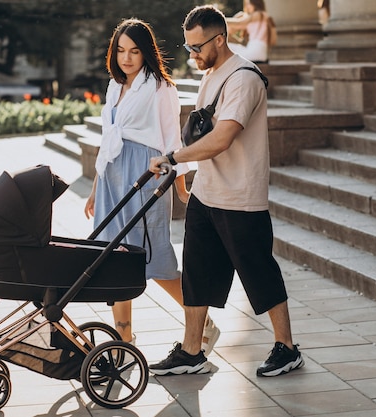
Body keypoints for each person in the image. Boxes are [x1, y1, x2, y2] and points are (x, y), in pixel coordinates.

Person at [148, 5, 304, 377]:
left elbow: (222, 137)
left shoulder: (244, 78)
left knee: (258, 272)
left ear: (221, 39)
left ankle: (287, 348)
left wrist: (173, 158)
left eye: (198, 47)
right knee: (196, 275)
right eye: (188, 48)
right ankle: (191, 352)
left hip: (240, 196)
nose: (193, 55)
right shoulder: (212, 73)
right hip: (208, 192)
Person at [84, 18, 220, 354]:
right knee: (112, 258)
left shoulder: (162, 88)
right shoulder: (115, 87)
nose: (126, 58)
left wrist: (181, 182)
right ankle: (123, 340)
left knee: (153, 257)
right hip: (112, 174)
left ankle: (202, 321)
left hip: (147, 175)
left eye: (134, 51)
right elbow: (107, 140)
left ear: (146, 53)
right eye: (120, 51)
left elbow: (173, 138)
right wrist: (95, 188)